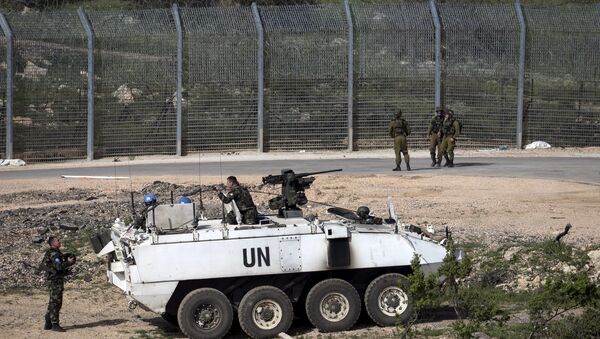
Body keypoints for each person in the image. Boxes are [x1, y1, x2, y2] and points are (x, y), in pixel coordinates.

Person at [42, 236, 76, 332]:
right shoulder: (54, 254)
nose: (59, 241)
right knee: (56, 302)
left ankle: (48, 322)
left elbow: (55, 268)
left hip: (55, 279)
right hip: (55, 281)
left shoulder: (55, 253)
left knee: (53, 301)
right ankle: (54, 324)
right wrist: (69, 263)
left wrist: (66, 271)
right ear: (53, 243)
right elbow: (59, 266)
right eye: (58, 240)